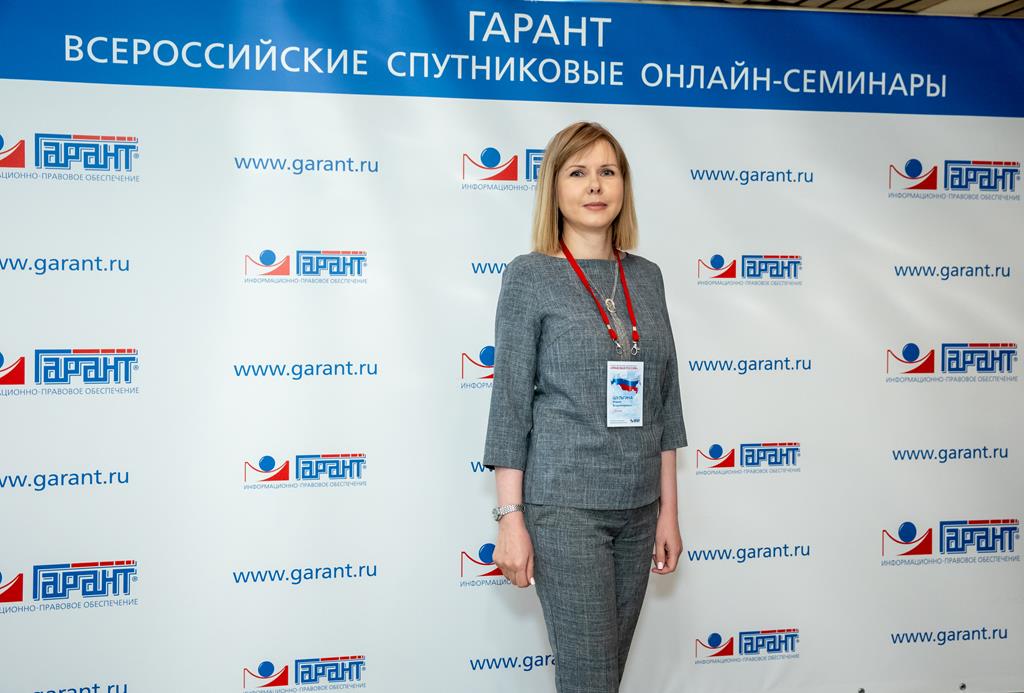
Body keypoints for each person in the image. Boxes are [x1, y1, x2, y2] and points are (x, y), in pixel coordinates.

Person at [483, 121, 688, 693]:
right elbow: (509, 407)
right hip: (566, 509)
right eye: (578, 172)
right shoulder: (530, 276)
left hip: (639, 509)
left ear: (623, 185)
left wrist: (668, 512)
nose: (595, 185)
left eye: (607, 171)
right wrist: (510, 519)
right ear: (554, 188)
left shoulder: (647, 277)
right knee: (590, 679)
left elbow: (664, 402)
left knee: (602, 680)